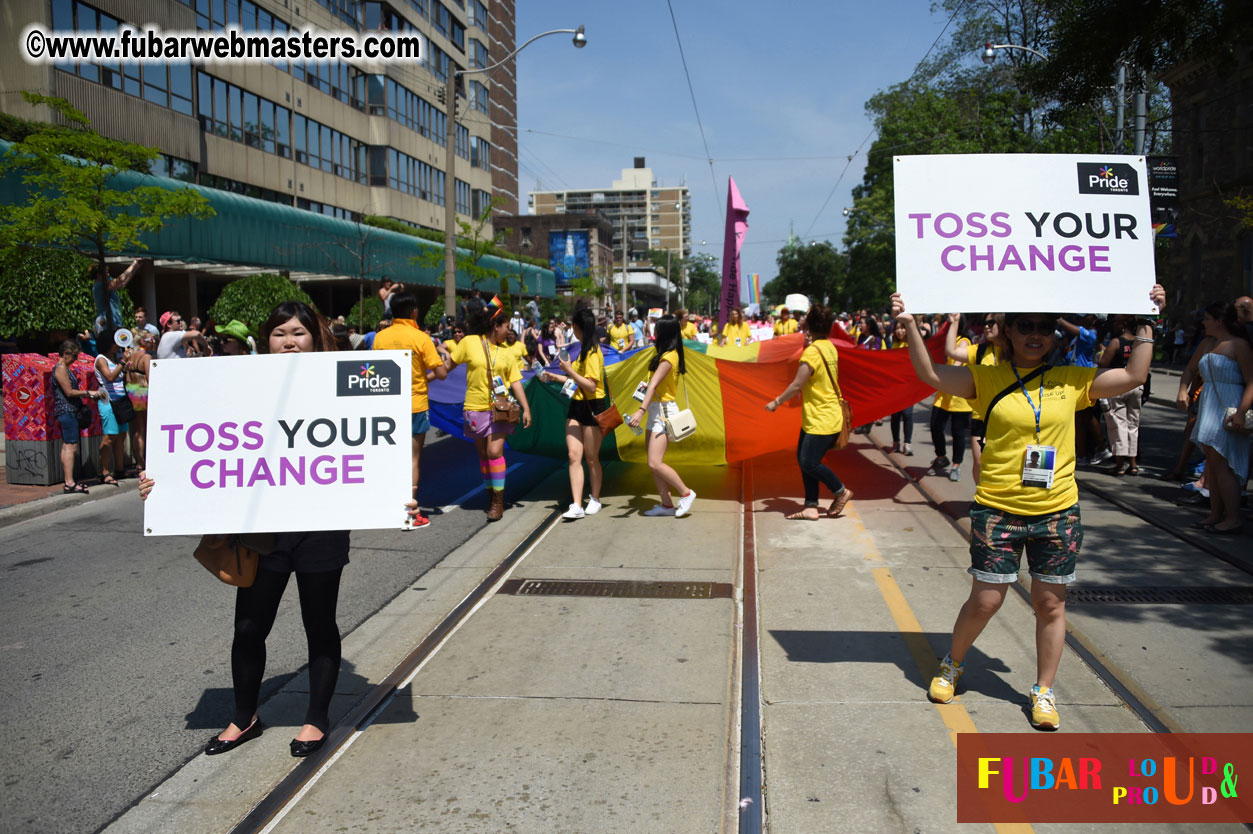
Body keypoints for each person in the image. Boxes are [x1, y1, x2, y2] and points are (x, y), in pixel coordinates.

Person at [894, 285, 1166, 731]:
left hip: (1057, 511)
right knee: (985, 600)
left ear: (1054, 334)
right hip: (998, 510)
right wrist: (907, 325)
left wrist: (1147, 318)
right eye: (1026, 326)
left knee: (1050, 605)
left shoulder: (1074, 380)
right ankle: (952, 664)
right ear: (1009, 331)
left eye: (1045, 326)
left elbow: (1134, 375)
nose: (1036, 334)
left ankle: (1043, 689)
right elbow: (931, 375)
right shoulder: (987, 377)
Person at [138, 301, 356, 758]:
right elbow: (203, 442)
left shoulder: (340, 382)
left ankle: (316, 719)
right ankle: (244, 717)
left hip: (320, 526)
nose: (289, 341)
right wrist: (162, 481)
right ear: (266, 339)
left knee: (319, 623)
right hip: (263, 531)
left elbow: (373, 444)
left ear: (315, 337)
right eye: (279, 333)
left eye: (298, 332)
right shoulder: (237, 383)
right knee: (249, 627)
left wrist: (399, 495)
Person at [444, 301, 533, 521]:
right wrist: (423, 377)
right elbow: (447, 366)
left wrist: (526, 408)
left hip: (500, 409)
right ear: (496, 326)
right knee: (483, 455)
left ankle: (498, 501)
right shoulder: (470, 342)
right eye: (507, 326)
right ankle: (490, 493)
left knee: (494, 452)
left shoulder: (507, 353)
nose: (509, 330)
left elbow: (516, 382)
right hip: (474, 407)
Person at [765, 305, 853, 520]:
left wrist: (776, 402)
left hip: (821, 418)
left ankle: (841, 491)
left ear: (810, 325)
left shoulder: (812, 352)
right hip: (821, 414)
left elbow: (797, 384)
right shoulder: (829, 347)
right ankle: (811, 506)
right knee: (804, 459)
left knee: (809, 462)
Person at [1175, 301, 1253, 533]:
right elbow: (1190, 368)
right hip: (1209, 402)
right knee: (1213, 464)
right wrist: (1182, 389)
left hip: (1229, 403)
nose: (1203, 322)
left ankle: (1233, 517)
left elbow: (1251, 381)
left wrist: (1241, 412)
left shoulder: (1239, 345)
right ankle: (1215, 514)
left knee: (1223, 465)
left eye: (1207, 318)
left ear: (1220, 320)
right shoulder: (1208, 343)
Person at [374, 294, 448, 528]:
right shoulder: (421, 338)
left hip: (386, 405)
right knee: (413, 459)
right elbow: (442, 373)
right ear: (414, 312)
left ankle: (386, 507)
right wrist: (426, 376)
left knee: (389, 456)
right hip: (415, 404)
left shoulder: (379, 338)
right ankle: (410, 511)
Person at [625, 314, 697, 517]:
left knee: (654, 462)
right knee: (653, 463)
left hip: (663, 413)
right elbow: (650, 386)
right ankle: (666, 505)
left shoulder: (668, 357)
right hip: (656, 411)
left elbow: (654, 385)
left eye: (656, 329)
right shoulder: (665, 354)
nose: (653, 333)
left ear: (664, 333)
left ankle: (686, 493)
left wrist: (640, 411)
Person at [542, 307, 607, 519]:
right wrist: (553, 377)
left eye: (574, 326)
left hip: (593, 406)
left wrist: (568, 370)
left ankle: (595, 499)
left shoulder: (594, 352)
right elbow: (576, 382)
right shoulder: (582, 349)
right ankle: (577, 504)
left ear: (577, 328)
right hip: (577, 406)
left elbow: (590, 385)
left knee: (591, 457)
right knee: (573, 456)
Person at [945, 314, 1004, 479]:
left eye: (992, 323)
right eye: (984, 323)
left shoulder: (1016, 352)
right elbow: (952, 351)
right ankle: (980, 498)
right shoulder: (981, 350)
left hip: (1007, 419)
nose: (986, 327)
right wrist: (955, 322)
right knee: (979, 463)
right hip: (981, 418)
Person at [52, 340, 105, 494]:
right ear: (66, 353)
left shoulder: (63, 368)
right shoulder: (61, 368)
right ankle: (69, 482)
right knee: (71, 446)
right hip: (67, 410)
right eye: (74, 356)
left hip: (66, 411)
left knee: (67, 446)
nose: (75, 359)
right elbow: (68, 392)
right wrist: (89, 393)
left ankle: (69, 481)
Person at [1096, 317, 1145, 476]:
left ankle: (1119, 464)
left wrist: (1101, 353)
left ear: (1123, 325)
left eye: (1116, 322)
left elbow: (1104, 363)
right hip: (1136, 385)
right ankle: (1133, 463)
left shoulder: (1117, 342)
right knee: (1133, 424)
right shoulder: (1140, 342)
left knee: (1117, 424)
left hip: (1118, 384)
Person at [927, 314, 973, 482]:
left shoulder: (964, 340)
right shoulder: (946, 340)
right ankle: (941, 456)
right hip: (944, 393)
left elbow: (957, 362)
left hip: (959, 396)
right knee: (935, 426)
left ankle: (956, 465)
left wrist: (947, 373)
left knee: (957, 432)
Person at [94, 335, 132, 485]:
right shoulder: (101, 359)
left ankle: (119, 469)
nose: (118, 345)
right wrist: (123, 362)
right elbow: (109, 377)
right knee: (109, 438)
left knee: (121, 436)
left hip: (121, 400)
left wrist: (124, 367)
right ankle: (104, 472)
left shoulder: (115, 359)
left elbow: (121, 379)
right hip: (108, 402)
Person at [889, 318, 915, 455]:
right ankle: (896, 442)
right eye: (897, 328)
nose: (900, 331)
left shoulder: (913, 344)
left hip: (909, 385)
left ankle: (907, 443)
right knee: (895, 415)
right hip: (895, 385)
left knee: (907, 414)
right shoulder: (893, 344)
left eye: (902, 328)